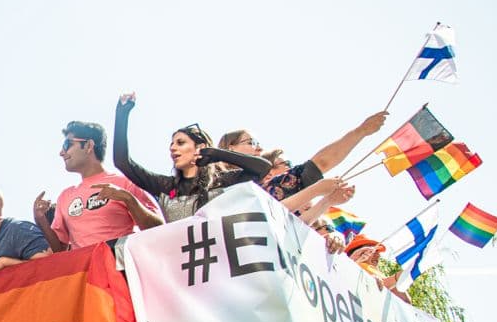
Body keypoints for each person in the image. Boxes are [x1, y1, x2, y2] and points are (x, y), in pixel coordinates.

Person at [111, 93, 271, 223]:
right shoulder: (165, 186)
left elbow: (263, 168)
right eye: (171, 144)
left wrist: (218, 154)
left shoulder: (225, 181)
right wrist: (122, 115)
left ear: (200, 147)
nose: (172, 148)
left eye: (180, 143)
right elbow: (122, 162)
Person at [33, 119, 161, 254]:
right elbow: (60, 249)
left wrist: (128, 199)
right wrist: (40, 219)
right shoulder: (65, 196)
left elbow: (159, 229)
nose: (61, 152)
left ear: (89, 145)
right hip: (86, 273)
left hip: (119, 271)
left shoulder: (125, 183)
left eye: (67, 144)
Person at [217, 110, 390, 202]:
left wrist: (361, 132)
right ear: (230, 147)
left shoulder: (267, 187)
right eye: (251, 142)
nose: (260, 148)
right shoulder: (209, 175)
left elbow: (318, 165)